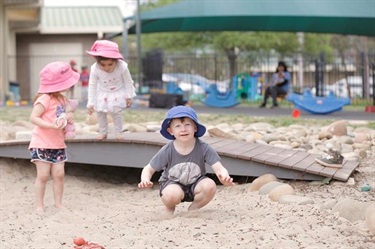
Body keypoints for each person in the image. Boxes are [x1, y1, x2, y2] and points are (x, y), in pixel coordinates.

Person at [138, 105, 235, 215]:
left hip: (196, 183)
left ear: (195, 128)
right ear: (170, 131)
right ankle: (170, 208)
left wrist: (224, 177)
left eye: (187, 125)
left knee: (210, 185)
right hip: (172, 184)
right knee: (172, 194)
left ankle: (194, 208)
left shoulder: (203, 148)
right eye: (178, 126)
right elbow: (149, 168)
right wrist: (145, 179)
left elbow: (219, 168)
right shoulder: (167, 150)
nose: (183, 129)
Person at [28, 61, 80, 214]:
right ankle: (40, 205)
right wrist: (50, 125)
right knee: (43, 176)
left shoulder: (62, 100)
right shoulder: (44, 99)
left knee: (59, 174)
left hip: (58, 144)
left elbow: (66, 113)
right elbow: (33, 117)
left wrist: (69, 116)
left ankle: (58, 203)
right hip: (41, 143)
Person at [86, 40, 136, 140]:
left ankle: (118, 132)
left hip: (117, 92)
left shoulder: (122, 67)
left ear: (116, 61)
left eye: (110, 64)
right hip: (102, 92)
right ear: (97, 62)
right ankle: (103, 132)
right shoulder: (95, 69)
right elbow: (92, 85)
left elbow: (128, 82)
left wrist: (129, 96)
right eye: (103, 65)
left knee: (116, 113)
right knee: (100, 113)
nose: (106, 68)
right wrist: (90, 102)